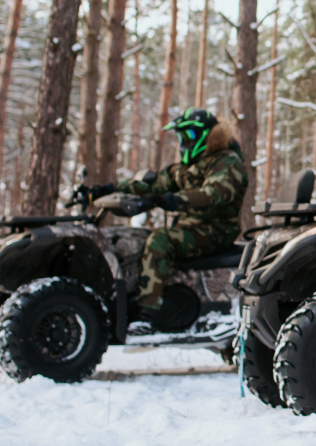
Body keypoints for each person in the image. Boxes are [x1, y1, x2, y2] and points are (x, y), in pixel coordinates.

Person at [82, 109, 249, 330]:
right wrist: (106, 189)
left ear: (206, 135)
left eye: (187, 136)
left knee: (159, 240)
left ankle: (147, 315)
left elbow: (212, 195)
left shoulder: (227, 162)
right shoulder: (190, 166)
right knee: (133, 240)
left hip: (215, 231)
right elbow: (154, 184)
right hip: (191, 229)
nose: (183, 142)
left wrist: (170, 200)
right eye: (180, 138)